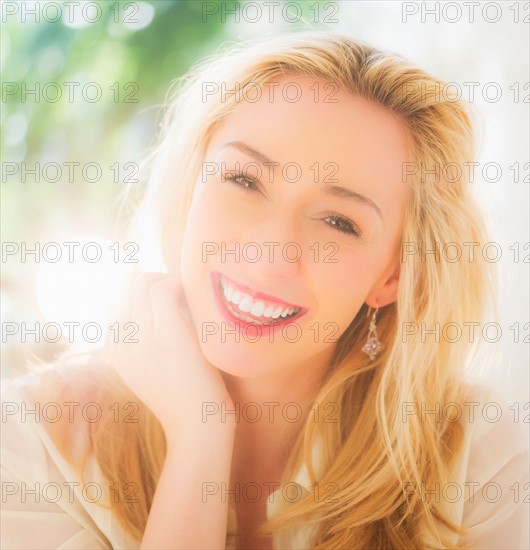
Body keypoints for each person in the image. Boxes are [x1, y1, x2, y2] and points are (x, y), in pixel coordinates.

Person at [1, 32, 528, 550]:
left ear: (392, 276)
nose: (269, 254)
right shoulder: (34, 442)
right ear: (192, 186)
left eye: (339, 222)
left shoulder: (479, 455)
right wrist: (198, 439)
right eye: (245, 181)